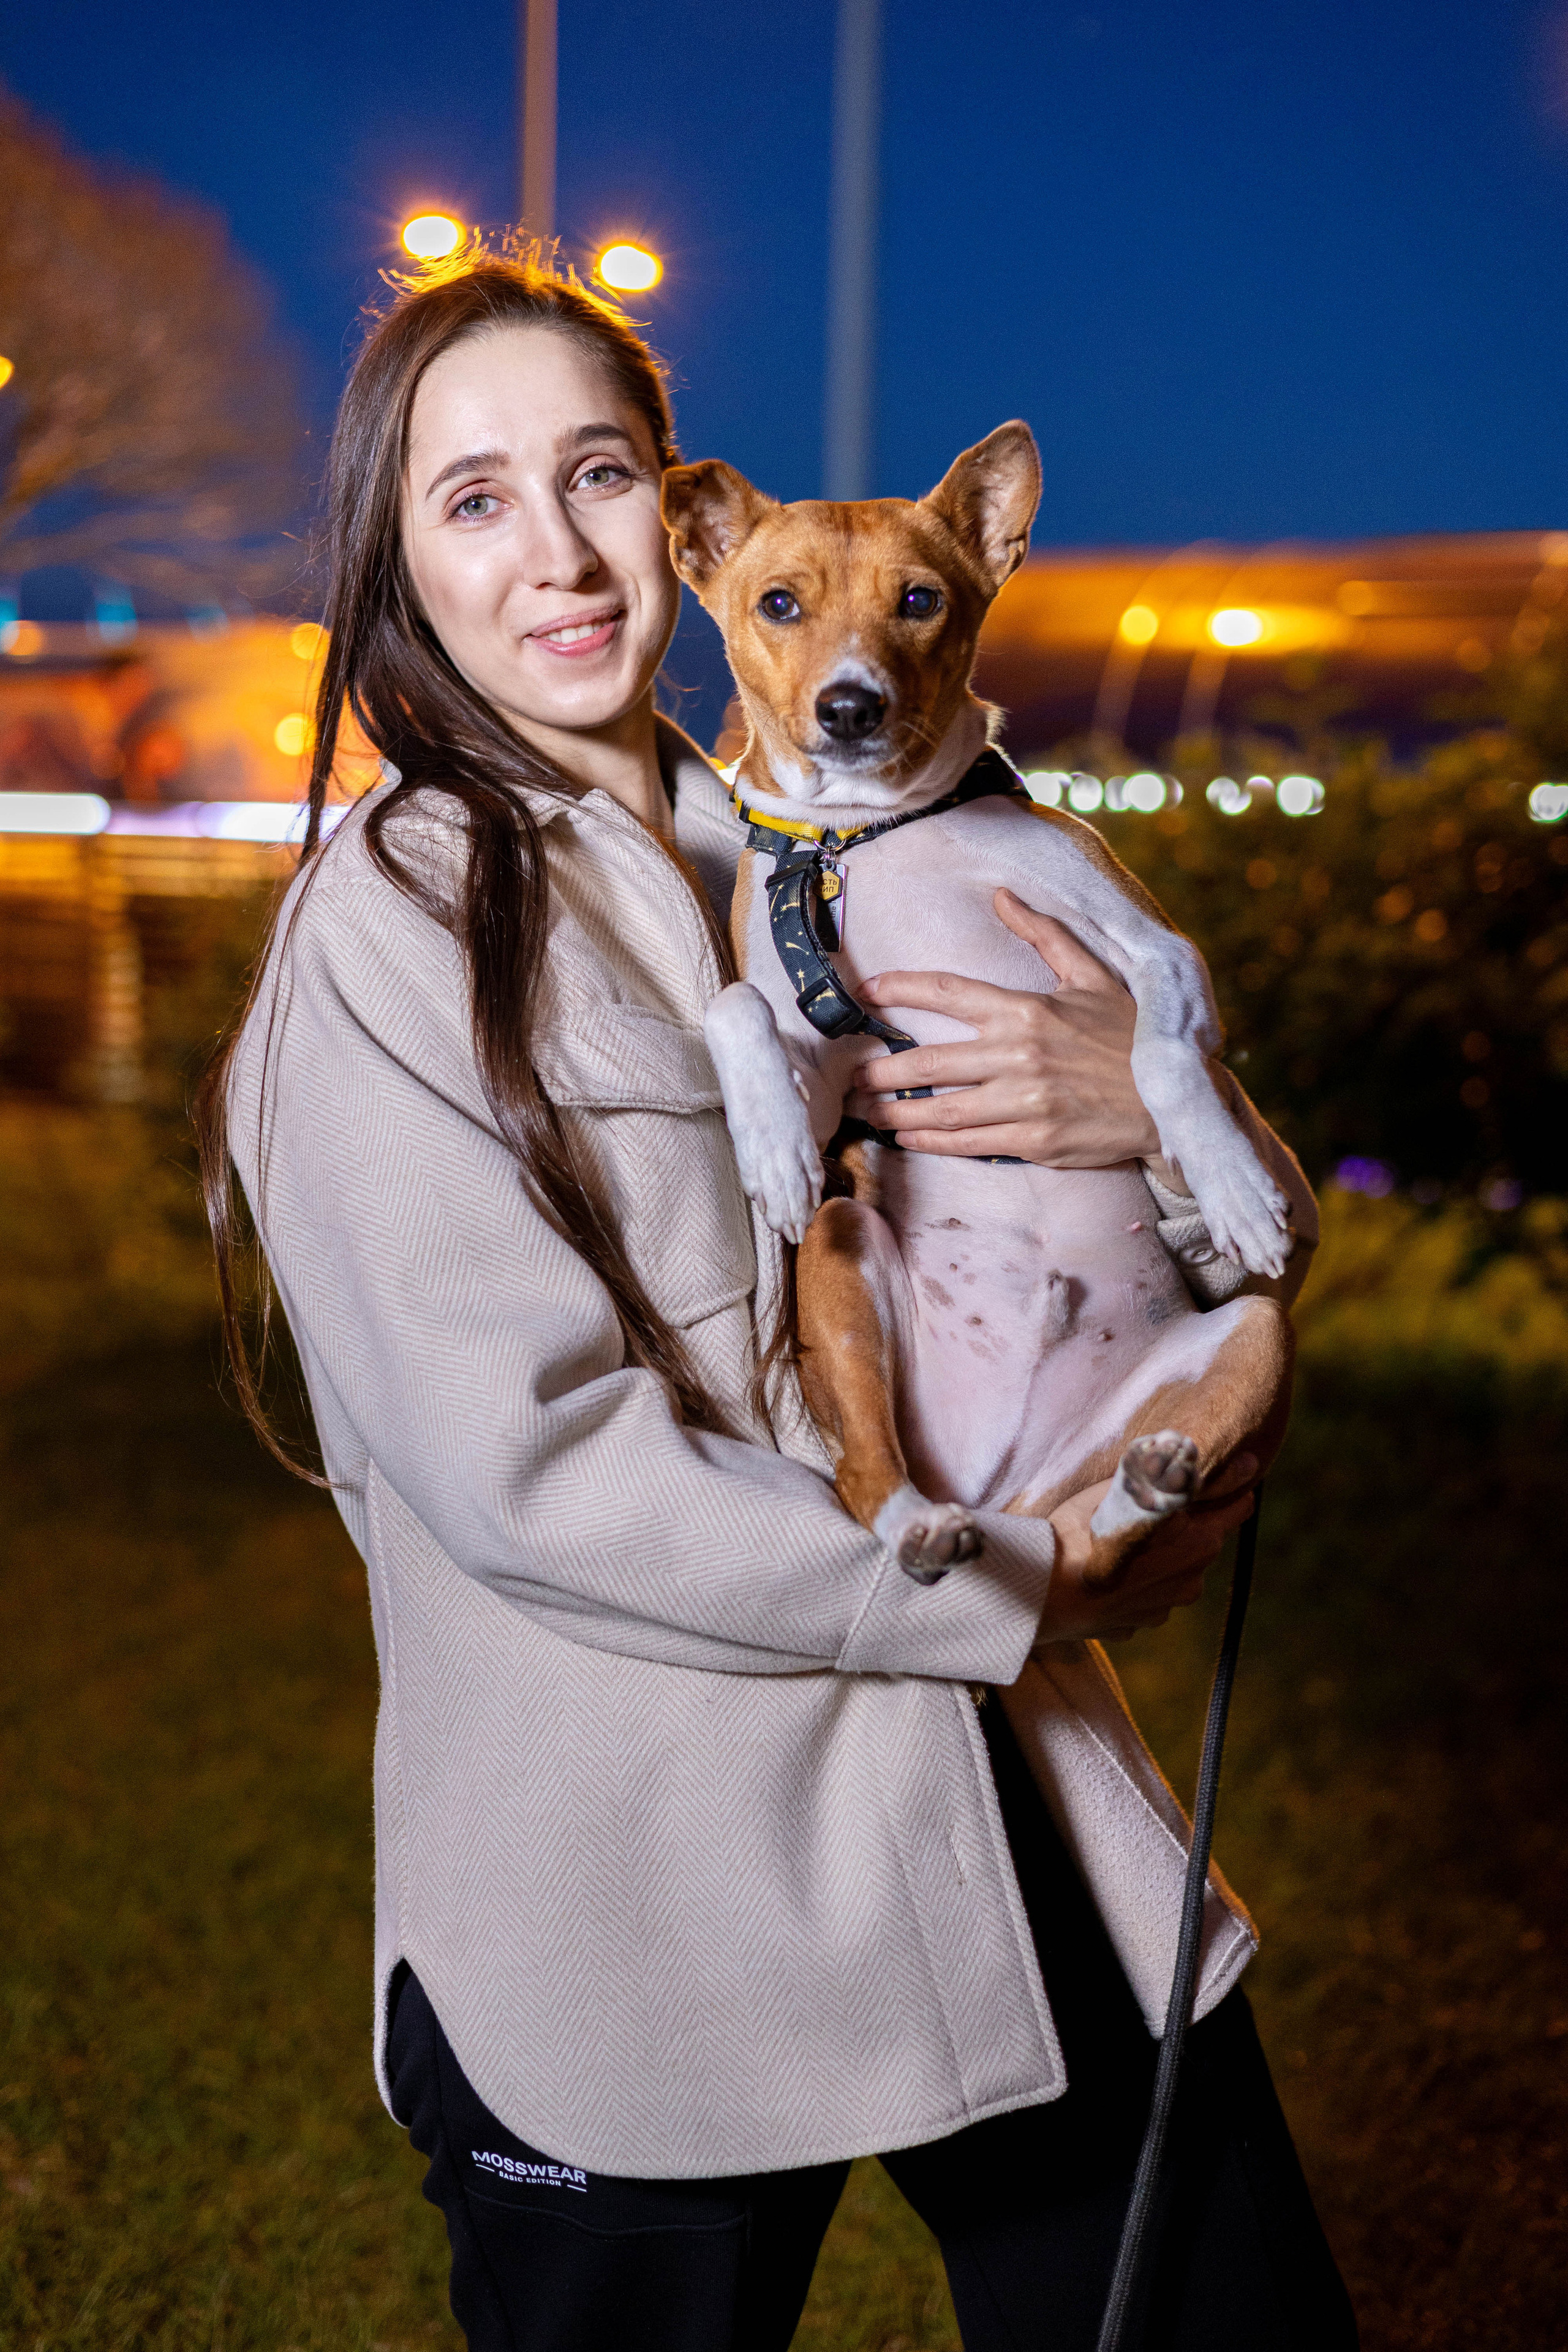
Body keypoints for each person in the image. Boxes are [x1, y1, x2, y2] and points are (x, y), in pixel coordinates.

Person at [197, 254, 1357, 2351]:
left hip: (991, 1791)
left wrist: (1185, 1124)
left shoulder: (853, 823)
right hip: (644, 1882)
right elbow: (528, 1473)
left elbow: (1186, 1226)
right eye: (472, 499)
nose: (555, 550)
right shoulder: (382, 937)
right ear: (391, 557)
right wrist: (1012, 1579)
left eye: (598, 472)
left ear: (683, 513)